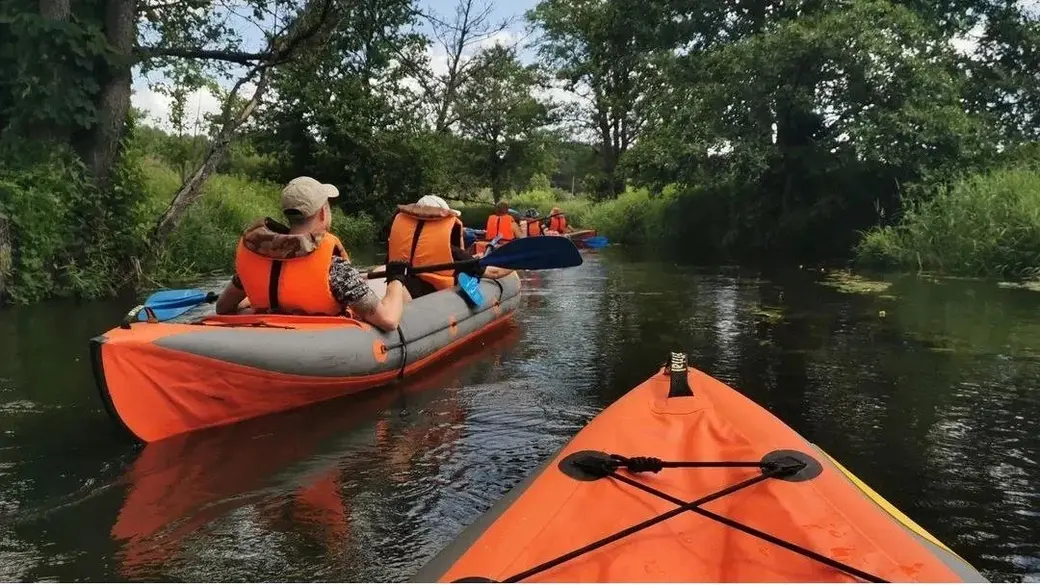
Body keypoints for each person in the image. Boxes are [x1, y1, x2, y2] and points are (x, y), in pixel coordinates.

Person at [214, 176, 410, 331]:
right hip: (318, 342)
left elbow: (223, 307)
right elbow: (389, 321)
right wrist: (396, 278)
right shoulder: (334, 267)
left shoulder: (259, 254)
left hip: (270, 334)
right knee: (395, 293)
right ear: (323, 213)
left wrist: (253, 308)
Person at [386, 194, 487, 299]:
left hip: (402, 290)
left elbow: (388, 265)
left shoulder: (399, 241)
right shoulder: (451, 250)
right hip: (431, 297)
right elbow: (486, 271)